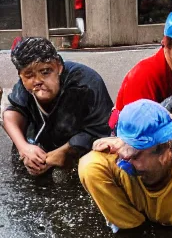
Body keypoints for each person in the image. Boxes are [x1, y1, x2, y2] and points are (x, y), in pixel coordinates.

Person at [79, 99, 172, 238]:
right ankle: (131, 228)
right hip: (138, 226)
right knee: (90, 164)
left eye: (135, 157)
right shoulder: (123, 154)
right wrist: (124, 146)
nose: (125, 164)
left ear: (165, 150)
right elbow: (123, 154)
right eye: (123, 152)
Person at [2, 37, 113, 177]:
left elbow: (100, 129)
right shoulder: (25, 85)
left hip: (79, 144)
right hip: (40, 143)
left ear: (59, 67)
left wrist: (56, 156)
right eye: (29, 75)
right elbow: (11, 112)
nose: (37, 81)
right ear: (21, 76)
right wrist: (23, 147)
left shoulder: (86, 82)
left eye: (46, 72)